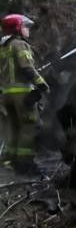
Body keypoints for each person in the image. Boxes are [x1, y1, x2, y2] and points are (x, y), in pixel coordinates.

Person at [0, 13, 48, 173]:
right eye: (25, 27)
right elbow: (26, 67)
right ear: (17, 28)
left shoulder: (3, 47)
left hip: (5, 95)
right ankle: (25, 164)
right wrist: (41, 83)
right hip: (21, 94)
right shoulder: (19, 44)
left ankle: (10, 160)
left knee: (13, 127)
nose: (28, 30)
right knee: (29, 127)